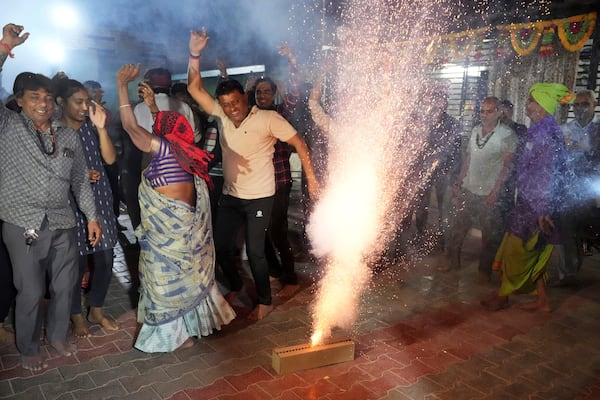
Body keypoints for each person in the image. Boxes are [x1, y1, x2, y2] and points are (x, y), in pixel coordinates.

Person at [187, 27, 320, 320]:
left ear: (245, 99)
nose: (232, 109)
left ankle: (265, 300)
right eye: (226, 105)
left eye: (236, 102)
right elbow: (194, 89)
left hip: (261, 197)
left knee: (256, 251)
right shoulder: (221, 115)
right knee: (222, 246)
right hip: (231, 196)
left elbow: (299, 142)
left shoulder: (269, 118)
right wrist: (194, 54)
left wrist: (311, 178)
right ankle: (235, 285)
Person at [0, 23, 102, 372]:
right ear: (19, 102)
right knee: (28, 291)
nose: (42, 103)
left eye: (46, 97)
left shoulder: (67, 135)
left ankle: (58, 336)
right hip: (22, 221)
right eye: (34, 97)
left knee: (65, 285)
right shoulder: (8, 127)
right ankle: (28, 348)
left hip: (62, 222)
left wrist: (91, 217)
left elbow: (80, 182)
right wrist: (3, 49)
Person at [116, 63, 235, 352]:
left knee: (165, 282)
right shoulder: (187, 152)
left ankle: (174, 336)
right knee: (187, 278)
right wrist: (153, 106)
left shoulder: (161, 149)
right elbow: (166, 127)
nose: (154, 131)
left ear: (162, 136)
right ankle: (193, 327)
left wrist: (121, 86)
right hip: (186, 232)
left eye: (158, 128)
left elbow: (132, 126)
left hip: (167, 235)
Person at [481, 83, 573, 312]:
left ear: (542, 106)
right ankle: (542, 301)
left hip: (535, 207)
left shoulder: (545, 134)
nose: (527, 106)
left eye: (531, 101)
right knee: (534, 253)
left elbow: (546, 174)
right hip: (531, 202)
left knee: (515, 251)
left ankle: (503, 296)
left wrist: (543, 210)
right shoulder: (542, 129)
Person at [53, 77, 120, 338]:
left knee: (105, 258)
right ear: (61, 102)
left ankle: (97, 308)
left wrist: (102, 129)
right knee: (76, 264)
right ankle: (76, 316)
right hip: (70, 205)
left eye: (86, 102)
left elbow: (110, 159)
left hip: (100, 200)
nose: (84, 107)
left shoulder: (92, 128)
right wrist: (76, 175)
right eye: (78, 102)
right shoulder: (54, 131)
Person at [439, 97, 516, 283]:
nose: (484, 115)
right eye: (482, 111)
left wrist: (496, 191)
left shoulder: (506, 135)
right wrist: (459, 182)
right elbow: (468, 159)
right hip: (469, 188)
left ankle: (484, 271)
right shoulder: (475, 131)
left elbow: (507, 166)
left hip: (489, 193)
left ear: (499, 112)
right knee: (458, 229)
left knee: (489, 237)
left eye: (489, 111)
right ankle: (453, 261)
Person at [248, 43, 301, 290]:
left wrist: (291, 59)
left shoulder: (281, 112)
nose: (262, 96)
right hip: (258, 185)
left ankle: (289, 272)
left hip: (279, 182)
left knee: (278, 230)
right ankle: (274, 268)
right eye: (259, 93)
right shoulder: (251, 116)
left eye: (266, 92)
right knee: (261, 230)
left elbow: (294, 93)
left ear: (274, 94)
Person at [554, 90, 600, 285]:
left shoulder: (599, 130)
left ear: (594, 106)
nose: (580, 108)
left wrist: (585, 150)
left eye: (585, 104)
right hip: (570, 189)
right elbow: (558, 160)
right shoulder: (565, 129)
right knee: (565, 229)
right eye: (577, 105)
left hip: (594, 193)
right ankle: (567, 274)